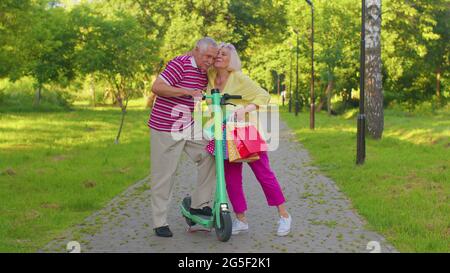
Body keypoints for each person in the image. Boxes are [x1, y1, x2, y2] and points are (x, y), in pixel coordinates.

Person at [206, 43, 292, 236]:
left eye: (224, 54)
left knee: (264, 175)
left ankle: (284, 216)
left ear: (231, 60)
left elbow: (264, 96)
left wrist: (244, 109)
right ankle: (241, 220)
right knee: (231, 179)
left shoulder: (239, 78)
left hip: (246, 133)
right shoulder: (210, 77)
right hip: (223, 135)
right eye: (217, 53)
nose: (219, 56)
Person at [148, 37, 219, 237]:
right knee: (165, 175)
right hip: (165, 127)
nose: (210, 61)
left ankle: (198, 204)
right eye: (207, 56)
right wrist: (186, 92)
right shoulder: (179, 63)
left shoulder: (204, 71)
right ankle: (159, 221)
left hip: (188, 124)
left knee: (211, 154)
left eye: (213, 58)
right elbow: (157, 87)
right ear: (196, 50)